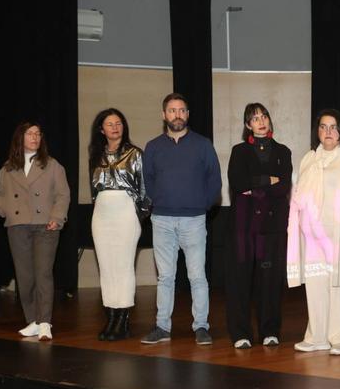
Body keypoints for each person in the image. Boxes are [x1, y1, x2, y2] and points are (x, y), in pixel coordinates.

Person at [287, 109, 340, 355]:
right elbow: (297, 195)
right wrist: (294, 226)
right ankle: (317, 337)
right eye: (323, 127)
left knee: (338, 286)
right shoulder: (309, 158)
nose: (328, 132)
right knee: (315, 287)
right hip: (311, 236)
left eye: (333, 127)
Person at [140, 92, 221, 346]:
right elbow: (147, 179)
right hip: (161, 220)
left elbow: (215, 180)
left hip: (194, 220)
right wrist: (158, 201)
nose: (178, 115)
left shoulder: (203, 145)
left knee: (197, 276)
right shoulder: (153, 147)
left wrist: (200, 205)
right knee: (165, 277)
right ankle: (162, 327)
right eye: (172, 110)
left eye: (182, 110)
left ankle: (201, 326)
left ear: (188, 114)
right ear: (164, 114)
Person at [0, 121, 70, 341]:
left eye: (38, 134)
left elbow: (63, 194)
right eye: (30, 134)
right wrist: (3, 209)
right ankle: (34, 321)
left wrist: (57, 217)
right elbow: (0, 194)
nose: (35, 137)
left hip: (45, 225)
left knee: (43, 273)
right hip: (18, 225)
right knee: (25, 276)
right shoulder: (7, 168)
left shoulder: (53, 165)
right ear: (20, 138)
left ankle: (45, 321)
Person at [225, 103, 292, 349]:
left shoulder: (283, 151)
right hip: (244, 226)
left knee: (270, 280)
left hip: (272, 227)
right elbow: (237, 183)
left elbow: (283, 186)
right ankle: (240, 333)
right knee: (240, 280)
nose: (261, 121)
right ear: (248, 125)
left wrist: (254, 188)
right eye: (255, 118)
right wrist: (268, 180)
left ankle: (270, 331)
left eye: (264, 116)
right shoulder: (239, 151)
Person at [89, 108, 147, 341]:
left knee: (123, 266)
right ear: (101, 130)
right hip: (101, 213)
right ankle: (111, 317)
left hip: (125, 211)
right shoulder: (96, 155)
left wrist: (138, 215)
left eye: (119, 123)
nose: (115, 127)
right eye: (110, 124)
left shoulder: (135, 153)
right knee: (106, 267)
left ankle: (123, 320)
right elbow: (93, 190)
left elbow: (145, 190)